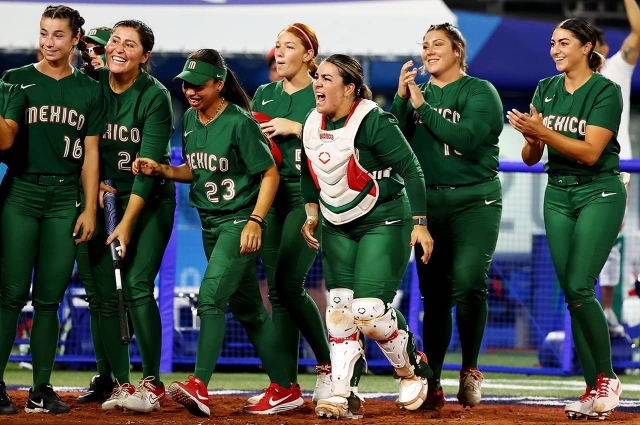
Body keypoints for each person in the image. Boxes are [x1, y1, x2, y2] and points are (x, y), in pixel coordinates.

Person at [133, 49, 304, 418]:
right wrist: (163, 169)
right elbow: (196, 170)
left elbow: (270, 173)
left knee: (210, 299)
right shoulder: (192, 121)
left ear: (218, 84)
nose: (190, 91)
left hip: (238, 222)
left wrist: (256, 221)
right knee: (249, 311)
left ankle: (199, 385)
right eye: (186, 84)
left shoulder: (241, 122)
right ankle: (286, 388)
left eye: (198, 85)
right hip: (210, 223)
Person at [300, 54, 434, 420]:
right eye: (317, 78)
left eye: (327, 78)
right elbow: (309, 169)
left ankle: (412, 370)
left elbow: (412, 168)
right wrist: (311, 212)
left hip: (384, 218)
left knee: (369, 312)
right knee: (340, 315)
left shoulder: (372, 120)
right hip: (335, 222)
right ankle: (343, 394)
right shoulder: (312, 122)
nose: (318, 84)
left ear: (350, 88)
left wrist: (420, 222)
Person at [507, 18, 624, 420]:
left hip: (600, 191)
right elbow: (531, 157)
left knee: (579, 284)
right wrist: (531, 135)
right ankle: (593, 388)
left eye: (564, 43)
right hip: (557, 193)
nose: (555, 49)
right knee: (574, 297)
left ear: (587, 47)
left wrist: (543, 130)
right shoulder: (546, 88)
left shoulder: (606, 90)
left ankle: (608, 378)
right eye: (552, 43)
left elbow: (591, 152)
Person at [390, 23, 504, 411]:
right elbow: (393, 143)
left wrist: (421, 105)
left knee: (471, 282)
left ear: (458, 51)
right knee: (434, 296)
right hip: (427, 206)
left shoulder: (479, 91)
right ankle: (433, 380)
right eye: (424, 46)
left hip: (475, 201)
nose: (428, 51)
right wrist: (402, 100)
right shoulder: (414, 95)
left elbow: (466, 140)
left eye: (438, 44)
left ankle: (470, 369)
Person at [0, 4, 105, 414]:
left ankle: (40, 389)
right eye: (44, 33)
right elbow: (5, 143)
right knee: (9, 295)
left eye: (58, 34)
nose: (48, 41)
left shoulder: (89, 89)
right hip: (20, 194)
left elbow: (91, 154)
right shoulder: (15, 80)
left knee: (49, 299)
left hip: (65, 199)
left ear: (76, 38)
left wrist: (90, 209)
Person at [80, 20, 176, 414]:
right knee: (101, 295)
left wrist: (125, 223)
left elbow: (148, 167)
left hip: (147, 199)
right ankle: (115, 382)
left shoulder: (155, 97)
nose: (118, 49)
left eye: (129, 44)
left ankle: (152, 382)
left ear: (145, 56)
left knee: (135, 285)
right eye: (114, 41)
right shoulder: (91, 86)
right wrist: (93, 193)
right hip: (100, 198)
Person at [247, 22, 331, 412]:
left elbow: (345, 138)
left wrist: (296, 128)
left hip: (309, 196)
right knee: (277, 295)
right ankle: (285, 386)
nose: (279, 53)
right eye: (277, 46)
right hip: (270, 197)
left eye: (290, 46)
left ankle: (328, 362)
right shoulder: (264, 93)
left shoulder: (323, 89)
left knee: (287, 283)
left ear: (309, 55)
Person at [74, 25, 117, 405]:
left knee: (122, 294)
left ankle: (128, 377)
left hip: (122, 200)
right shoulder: (77, 87)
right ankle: (106, 375)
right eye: (87, 48)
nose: (92, 54)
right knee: (95, 295)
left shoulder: (128, 89)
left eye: (99, 49)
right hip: (82, 198)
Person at [593, 0, 640, 337]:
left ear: (602, 49)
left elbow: (638, 32)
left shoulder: (616, 68)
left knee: (609, 241)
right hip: (576, 169)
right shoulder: (565, 82)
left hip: (615, 169)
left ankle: (606, 311)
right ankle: (582, 314)